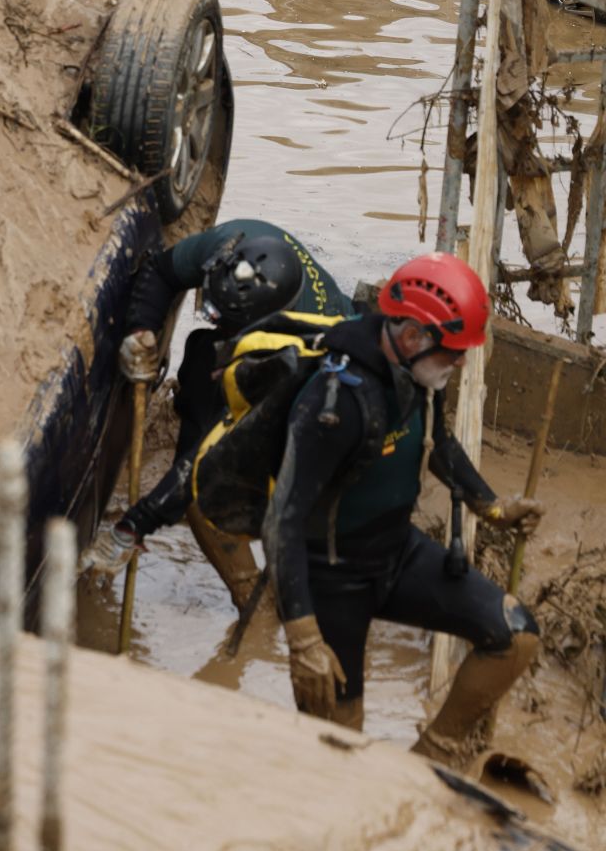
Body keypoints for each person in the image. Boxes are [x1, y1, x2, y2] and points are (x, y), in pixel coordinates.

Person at [264, 252, 542, 754]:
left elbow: (439, 444)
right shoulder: (332, 404)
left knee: (516, 634)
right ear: (412, 337)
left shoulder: (418, 377)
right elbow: (280, 522)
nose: (461, 362)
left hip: (396, 552)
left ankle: (431, 758)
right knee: (336, 742)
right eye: (454, 351)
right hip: (332, 577)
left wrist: (493, 508)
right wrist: (303, 636)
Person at [82, 222, 350, 606]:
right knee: (201, 357)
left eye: (222, 320)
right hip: (265, 346)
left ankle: (251, 597)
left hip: (317, 404)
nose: (210, 319)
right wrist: (140, 331)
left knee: (204, 493)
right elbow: (160, 271)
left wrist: (134, 526)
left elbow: (203, 463)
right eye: (209, 308)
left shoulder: (289, 363)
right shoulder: (233, 241)